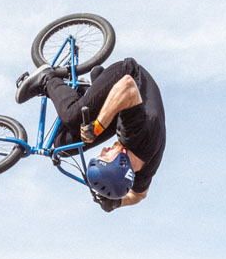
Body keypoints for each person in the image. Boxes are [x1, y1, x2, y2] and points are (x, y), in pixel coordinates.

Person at [15, 56, 164, 211]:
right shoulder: (138, 136)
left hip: (124, 111)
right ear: (120, 163)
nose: (103, 150)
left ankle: (80, 94)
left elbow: (139, 195)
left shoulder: (141, 169)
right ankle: (47, 78)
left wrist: (116, 203)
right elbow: (127, 85)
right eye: (105, 157)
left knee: (64, 145)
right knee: (73, 117)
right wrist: (98, 126)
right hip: (125, 79)